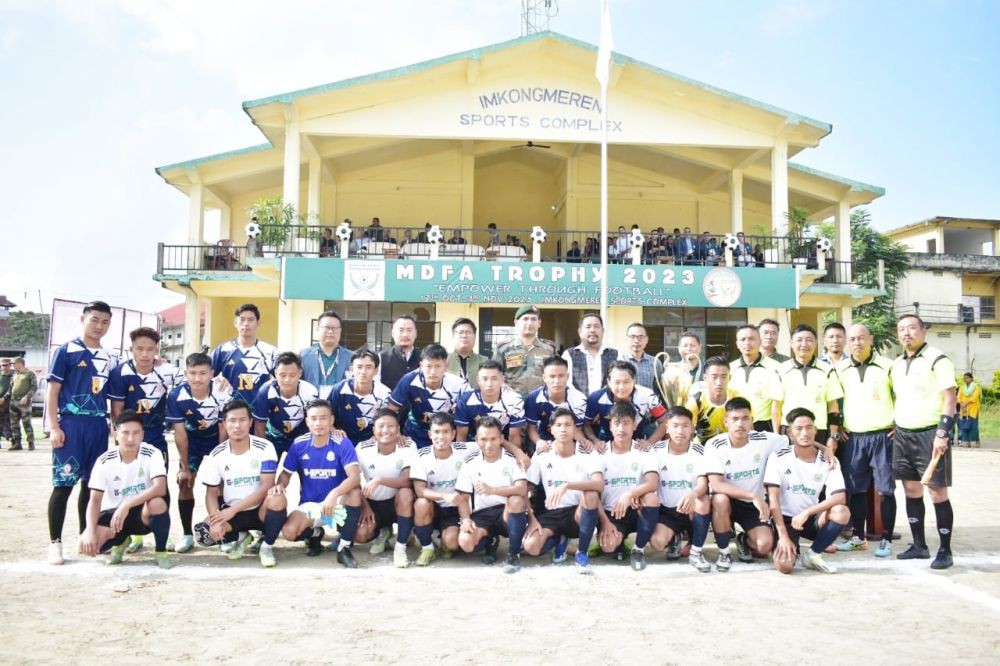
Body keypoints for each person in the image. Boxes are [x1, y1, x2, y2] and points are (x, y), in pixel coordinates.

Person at [46, 300, 118, 565]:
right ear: (83, 319)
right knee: (63, 486)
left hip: (98, 427)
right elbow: (53, 392)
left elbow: (116, 392)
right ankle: (55, 543)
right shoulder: (67, 351)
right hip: (71, 425)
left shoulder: (110, 357)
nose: (100, 326)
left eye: (105, 322)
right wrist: (54, 427)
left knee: (91, 487)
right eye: (95, 319)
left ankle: (86, 537)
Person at [890, 314, 957, 569]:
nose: (907, 333)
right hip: (903, 433)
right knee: (911, 490)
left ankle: (945, 550)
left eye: (911, 328)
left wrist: (943, 433)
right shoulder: (896, 364)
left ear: (923, 331)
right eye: (902, 329)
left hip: (931, 434)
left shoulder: (937, 360)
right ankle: (919, 545)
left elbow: (950, 399)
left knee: (937, 491)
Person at [270, 399, 364, 568]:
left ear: (332, 420)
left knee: (355, 492)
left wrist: (334, 494)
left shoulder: (342, 443)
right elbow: (286, 473)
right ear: (307, 421)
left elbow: (355, 477)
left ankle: (343, 548)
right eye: (313, 418)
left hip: (336, 505)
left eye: (323, 418)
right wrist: (280, 485)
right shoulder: (299, 444)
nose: (318, 423)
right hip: (311, 506)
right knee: (289, 532)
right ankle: (315, 533)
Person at [108, 327, 175, 552]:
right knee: (129, 485)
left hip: (156, 438)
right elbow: (116, 410)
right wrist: (120, 440)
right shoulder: (120, 373)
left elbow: (198, 377)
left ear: (157, 350)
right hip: (130, 440)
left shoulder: (168, 372)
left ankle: (162, 535)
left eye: (150, 349)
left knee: (160, 488)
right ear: (131, 349)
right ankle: (131, 534)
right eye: (140, 349)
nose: (145, 354)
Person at [702, 397, 789, 571]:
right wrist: (753, 495)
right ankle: (724, 551)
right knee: (719, 499)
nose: (740, 424)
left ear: (752, 420)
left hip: (751, 506)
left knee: (764, 547)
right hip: (729, 500)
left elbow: (795, 440)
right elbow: (717, 484)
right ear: (725, 421)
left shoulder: (766, 440)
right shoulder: (714, 445)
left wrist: (825, 449)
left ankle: (743, 539)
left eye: (745, 418)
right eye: (734, 419)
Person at [78, 410, 172, 569]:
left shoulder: (152, 453)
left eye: (136, 433)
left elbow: (160, 487)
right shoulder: (104, 461)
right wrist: (89, 530)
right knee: (86, 547)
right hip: (114, 516)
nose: (130, 438)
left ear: (142, 435)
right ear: (116, 434)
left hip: (142, 513)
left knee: (157, 503)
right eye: (125, 433)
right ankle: (121, 541)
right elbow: (94, 501)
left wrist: (126, 505)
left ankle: (161, 551)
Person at [194, 399, 283, 567]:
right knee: (203, 534)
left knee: (277, 498)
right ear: (224, 424)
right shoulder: (216, 455)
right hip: (233, 514)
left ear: (250, 422)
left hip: (260, 510)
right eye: (232, 421)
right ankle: (242, 537)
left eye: (242, 420)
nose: (237, 426)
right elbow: (211, 494)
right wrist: (215, 520)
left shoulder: (265, 447)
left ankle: (267, 546)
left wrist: (232, 510)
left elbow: (266, 486)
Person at [833, 323, 896, 557]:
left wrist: (899, 423)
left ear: (871, 338)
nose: (857, 343)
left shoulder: (888, 366)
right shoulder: (840, 369)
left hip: (882, 437)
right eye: (852, 339)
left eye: (861, 338)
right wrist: (838, 427)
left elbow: (902, 395)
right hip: (854, 437)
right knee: (856, 490)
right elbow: (834, 400)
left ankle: (886, 539)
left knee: (885, 490)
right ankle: (858, 537)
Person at [767, 408, 851, 574]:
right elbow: (773, 500)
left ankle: (813, 554)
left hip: (810, 518)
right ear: (790, 432)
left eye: (809, 427)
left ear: (815, 430)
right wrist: (783, 536)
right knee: (784, 567)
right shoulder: (778, 457)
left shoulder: (829, 460)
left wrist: (807, 512)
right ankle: (782, 542)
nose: (804, 433)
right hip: (784, 520)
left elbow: (839, 497)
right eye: (799, 429)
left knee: (842, 512)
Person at [165, 352, 233, 554]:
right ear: (185, 374)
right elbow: (180, 434)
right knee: (185, 482)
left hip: (215, 440)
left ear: (212, 373)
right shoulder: (176, 396)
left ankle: (223, 534)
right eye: (192, 373)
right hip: (192, 441)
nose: (197, 378)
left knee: (221, 485)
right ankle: (187, 534)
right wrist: (185, 467)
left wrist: (219, 461)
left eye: (203, 373)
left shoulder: (222, 393)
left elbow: (224, 430)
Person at [522, 408, 604, 573]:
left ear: (575, 429)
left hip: (577, 513)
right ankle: (559, 539)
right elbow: (525, 488)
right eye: (558, 425)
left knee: (591, 494)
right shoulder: (542, 454)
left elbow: (599, 484)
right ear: (551, 429)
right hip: (550, 513)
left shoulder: (588, 453)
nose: (563, 429)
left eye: (568, 425)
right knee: (531, 547)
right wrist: (531, 519)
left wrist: (568, 485)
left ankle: (582, 553)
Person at [588, 403, 659, 570]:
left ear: (634, 426)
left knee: (651, 498)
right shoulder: (599, 452)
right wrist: (604, 522)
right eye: (617, 423)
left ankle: (638, 549)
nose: (621, 428)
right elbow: (593, 490)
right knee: (608, 546)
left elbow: (652, 482)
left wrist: (629, 494)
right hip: (610, 512)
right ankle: (617, 541)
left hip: (636, 507)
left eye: (626, 423)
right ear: (610, 426)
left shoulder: (644, 450)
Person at [455, 416, 530, 573]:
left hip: (506, 512)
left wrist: (492, 490)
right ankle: (490, 541)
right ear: (476, 439)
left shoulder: (512, 459)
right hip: (481, 514)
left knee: (516, 500)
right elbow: (463, 498)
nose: (488, 444)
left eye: (493, 439)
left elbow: (522, 489)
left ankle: (513, 554)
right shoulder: (470, 462)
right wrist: (466, 519)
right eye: (483, 439)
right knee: (465, 543)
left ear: (502, 438)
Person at [647, 406, 713, 572]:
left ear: (692, 428)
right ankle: (673, 537)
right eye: (675, 425)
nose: (680, 430)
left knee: (703, 500)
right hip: (668, 511)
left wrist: (692, 495)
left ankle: (696, 552)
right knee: (657, 544)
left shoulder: (700, 452)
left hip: (692, 509)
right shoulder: (655, 451)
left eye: (685, 425)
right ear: (667, 428)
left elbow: (703, 484)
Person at [410, 413, 477, 565]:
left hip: (456, 508)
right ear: (430, 435)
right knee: (421, 503)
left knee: (451, 544)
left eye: (446, 432)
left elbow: (490, 442)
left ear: (453, 434)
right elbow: (420, 490)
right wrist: (444, 496)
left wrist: (519, 454)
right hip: (433, 506)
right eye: (436, 432)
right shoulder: (421, 456)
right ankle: (427, 548)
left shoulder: (465, 449)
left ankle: (443, 540)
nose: (441, 436)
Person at [353, 409, 416, 568]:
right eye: (381, 426)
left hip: (397, 502)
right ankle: (384, 531)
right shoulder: (362, 448)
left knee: (406, 493)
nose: (386, 430)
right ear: (374, 430)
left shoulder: (408, 445)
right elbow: (353, 480)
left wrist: (379, 480)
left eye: (391, 426)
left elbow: (407, 481)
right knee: (361, 535)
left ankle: (400, 547)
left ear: (398, 429)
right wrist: (365, 507)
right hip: (373, 503)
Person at [774, 324, 844, 447]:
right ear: (791, 343)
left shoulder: (828, 370)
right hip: (789, 430)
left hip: (819, 430)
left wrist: (833, 437)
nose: (804, 344)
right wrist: (776, 436)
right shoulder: (781, 370)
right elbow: (776, 407)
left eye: (809, 340)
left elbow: (833, 408)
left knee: (818, 465)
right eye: (799, 340)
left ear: (816, 343)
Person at [388, 344, 468, 449]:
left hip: (445, 435)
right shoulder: (409, 380)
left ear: (446, 366)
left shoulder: (460, 385)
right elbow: (391, 409)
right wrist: (396, 433)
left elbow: (465, 418)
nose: (433, 372)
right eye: (428, 366)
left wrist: (459, 447)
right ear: (421, 365)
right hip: (414, 432)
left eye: (438, 366)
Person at [584, 361, 668, 448]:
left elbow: (664, 422)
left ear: (634, 380)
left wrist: (649, 442)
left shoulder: (647, 395)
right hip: (605, 444)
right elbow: (586, 424)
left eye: (626, 382)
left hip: (637, 444)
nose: (621, 387)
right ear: (608, 381)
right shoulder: (596, 397)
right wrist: (595, 441)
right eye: (617, 382)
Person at [252, 352, 320, 457]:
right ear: (275, 373)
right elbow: (259, 427)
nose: (287, 380)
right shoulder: (265, 391)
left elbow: (316, 422)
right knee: (267, 469)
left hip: (301, 436)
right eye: (282, 375)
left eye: (292, 375)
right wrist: (264, 454)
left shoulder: (310, 392)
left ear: (300, 373)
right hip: (273, 436)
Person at [210, 303, 277, 405]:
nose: (246, 324)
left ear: (258, 323)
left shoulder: (270, 351)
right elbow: (205, 374)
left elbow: (283, 377)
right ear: (235, 322)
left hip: (260, 410)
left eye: (251, 320)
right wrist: (217, 379)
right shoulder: (223, 350)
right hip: (230, 410)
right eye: (242, 319)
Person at [454, 360, 526, 450]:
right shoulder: (465, 400)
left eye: (494, 378)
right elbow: (461, 437)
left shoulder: (515, 400)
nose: (489, 384)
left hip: (504, 447)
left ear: (502, 380)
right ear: (478, 380)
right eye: (485, 379)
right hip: (474, 448)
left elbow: (514, 437)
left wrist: (514, 459)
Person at [524, 356, 588, 455]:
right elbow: (531, 428)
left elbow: (576, 430)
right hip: (543, 441)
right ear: (544, 377)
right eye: (552, 376)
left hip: (569, 443)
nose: (557, 381)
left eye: (561, 376)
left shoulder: (579, 399)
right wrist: (538, 442)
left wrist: (584, 442)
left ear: (567, 376)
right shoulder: (533, 398)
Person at [326, 350, 391, 445]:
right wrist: (334, 430)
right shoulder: (339, 389)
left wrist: (378, 436)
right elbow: (326, 415)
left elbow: (387, 421)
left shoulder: (384, 393)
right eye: (359, 367)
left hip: (372, 442)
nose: (363, 372)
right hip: (342, 440)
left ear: (376, 370)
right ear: (351, 370)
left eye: (368, 367)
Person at [493, 304, 557, 397]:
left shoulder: (549, 349)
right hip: (511, 402)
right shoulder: (503, 349)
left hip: (541, 401)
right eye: (525, 319)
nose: (529, 323)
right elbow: (494, 375)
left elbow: (557, 375)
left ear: (539, 323)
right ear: (516, 322)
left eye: (533, 319)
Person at [728, 324, 782, 432]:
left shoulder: (775, 367)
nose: (747, 343)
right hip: (737, 424)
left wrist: (777, 434)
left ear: (760, 342)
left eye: (752, 339)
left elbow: (777, 404)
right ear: (737, 344)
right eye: (743, 339)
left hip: (764, 425)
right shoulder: (730, 368)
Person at [685, 356, 740, 443]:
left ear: (729, 378)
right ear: (705, 378)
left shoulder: (739, 399)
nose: (719, 382)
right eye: (714, 377)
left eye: (723, 377)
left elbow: (748, 430)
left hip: (732, 449)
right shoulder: (696, 402)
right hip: (703, 450)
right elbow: (687, 435)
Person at [563, 312, 619, 396]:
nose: (592, 330)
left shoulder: (615, 355)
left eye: (596, 326)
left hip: (607, 406)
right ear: (580, 331)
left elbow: (619, 382)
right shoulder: (569, 355)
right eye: (588, 327)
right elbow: (565, 384)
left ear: (603, 331)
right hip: (577, 406)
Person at [300, 310, 353, 387]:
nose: (331, 331)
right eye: (327, 327)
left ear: (340, 331)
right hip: (311, 399)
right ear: (318, 329)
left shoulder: (351, 357)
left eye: (335, 328)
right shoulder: (303, 356)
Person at [378, 315, 422, 391]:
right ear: (393, 333)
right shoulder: (381, 357)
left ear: (416, 334)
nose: (405, 334)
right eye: (401, 330)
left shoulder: (424, 357)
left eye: (409, 330)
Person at [446, 318, 487, 388]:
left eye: (468, 332)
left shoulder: (485, 361)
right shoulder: (444, 360)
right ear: (453, 336)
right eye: (460, 332)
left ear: (475, 336)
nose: (464, 336)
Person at [7, 357, 37, 451]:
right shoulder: (15, 375)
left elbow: (34, 387)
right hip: (13, 401)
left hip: (24, 402)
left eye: (13, 364)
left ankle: (30, 443)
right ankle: (17, 443)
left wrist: (27, 397)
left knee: (26, 423)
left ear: (20, 363)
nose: (12, 366)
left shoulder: (30, 374)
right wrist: (6, 397)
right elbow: (11, 388)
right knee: (14, 424)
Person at [618, 323, 657, 392]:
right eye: (632, 337)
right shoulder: (619, 361)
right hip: (625, 402)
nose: (636, 341)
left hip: (648, 402)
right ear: (627, 339)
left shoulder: (655, 362)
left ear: (647, 340)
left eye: (640, 337)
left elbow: (659, 389)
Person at [957, 372, 982, 448]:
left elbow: (974, 397)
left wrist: (965, 404)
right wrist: (962, 405)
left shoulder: (977, 387)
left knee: (973, 426)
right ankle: (967, 442)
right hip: (964, 410)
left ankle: (976, 441)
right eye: (964, 378)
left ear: (971, 378)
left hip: (973, 409)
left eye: (967, 378)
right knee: (964, 425)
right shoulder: (962, 387)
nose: (965, 379)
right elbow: (958, 397)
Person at [0, 358, 12, 445]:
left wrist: (4, 398)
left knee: (9, 422)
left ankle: (12, 440)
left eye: (6, 365)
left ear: (10, 366)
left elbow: (13, 389)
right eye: (3, 365)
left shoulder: (14, 377)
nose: (5, 367)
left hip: (9, 402)